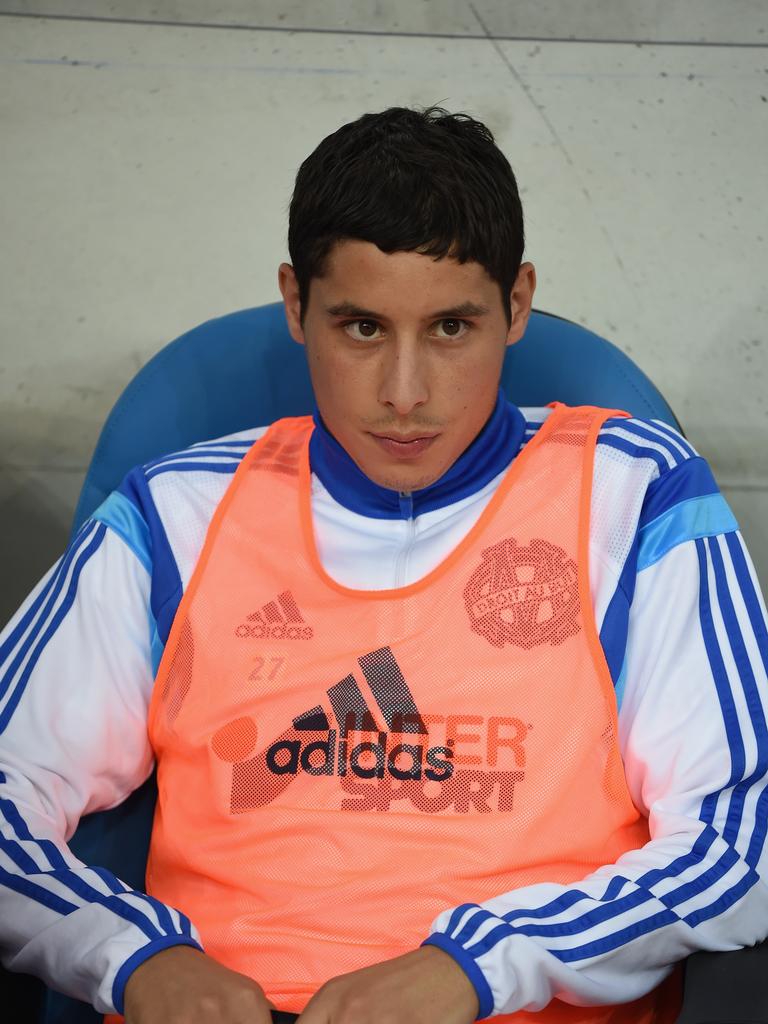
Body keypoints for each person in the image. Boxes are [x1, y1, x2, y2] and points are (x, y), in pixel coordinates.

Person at [1, 106, 767, 1024]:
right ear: (296, 304)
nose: (406, 394)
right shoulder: (177, 509)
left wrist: (481, 966)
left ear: (517, 305)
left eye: (451, 328)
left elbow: (740, 838)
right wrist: (133, 959)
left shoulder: (632, 492)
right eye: (361, 328)